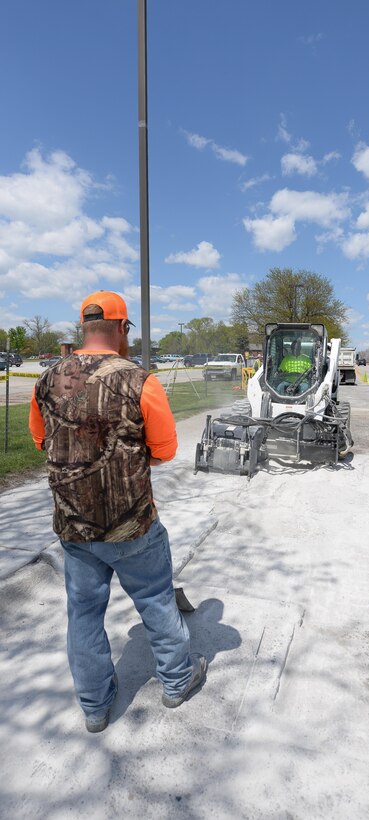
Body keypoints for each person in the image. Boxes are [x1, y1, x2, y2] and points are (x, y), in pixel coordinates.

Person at [29, 290, 206, 733]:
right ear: (123, 328)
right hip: (132, 526)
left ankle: (94, 707)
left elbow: (40, 442)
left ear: (85, 327)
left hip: (74, 527)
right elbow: (164, 450)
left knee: (83, 614)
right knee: (156, 601)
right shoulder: (139, 379)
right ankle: (177, 682)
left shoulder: (45, 380)